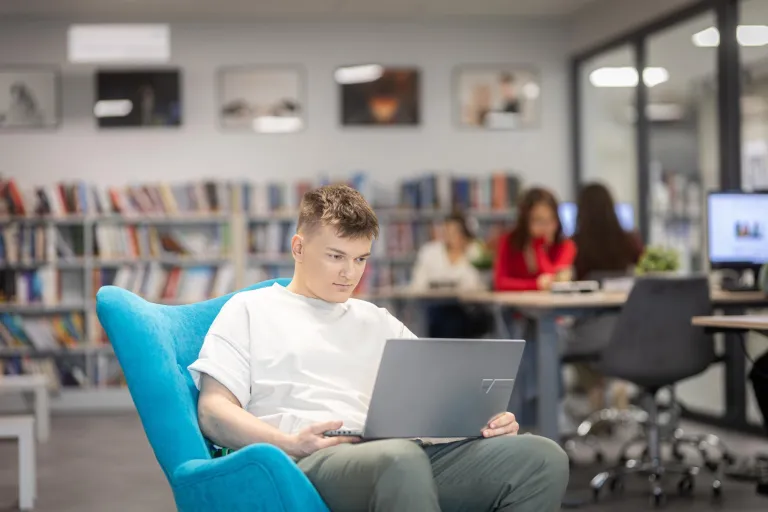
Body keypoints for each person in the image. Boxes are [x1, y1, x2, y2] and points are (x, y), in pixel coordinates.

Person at [189, 184, 569, 512]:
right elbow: (213, 411)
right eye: (336, 256)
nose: (349, 273)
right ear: (298, 248)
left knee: (542, 457)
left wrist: (483, 421)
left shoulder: (377, 320)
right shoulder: (250, 310)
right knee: (398, 460)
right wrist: (289, 443)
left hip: (401, 452)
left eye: (360, 259)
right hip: (311, 459)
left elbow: (434, 404)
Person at [567, 182, 644, 412]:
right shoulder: (630, 240)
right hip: (628, 329)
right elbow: (645, 272)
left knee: (563, 340)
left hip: (589, 329)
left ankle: (595, 389)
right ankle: (619, 383)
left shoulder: (575, 244)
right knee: (605, 343)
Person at [410, 211, 489, 338]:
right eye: (447, 231)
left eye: (455, 232)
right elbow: (418, 284)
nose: (450, 237)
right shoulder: (430, 251)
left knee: (456, 320)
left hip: (468, 310)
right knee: (445, 319)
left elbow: (479, 284)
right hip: (435, 308)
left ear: (465, 234)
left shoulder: (475, 251)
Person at [493, 187, 576, 291]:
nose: (546, 227)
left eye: (551, 220)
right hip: (516, 305)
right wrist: (535, 284)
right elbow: (500, 283)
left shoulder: (566, 246)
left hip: (553, 305)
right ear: (525, 221)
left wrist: (538, 248)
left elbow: (554, 280)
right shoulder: (508, 240)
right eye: (538, 220)